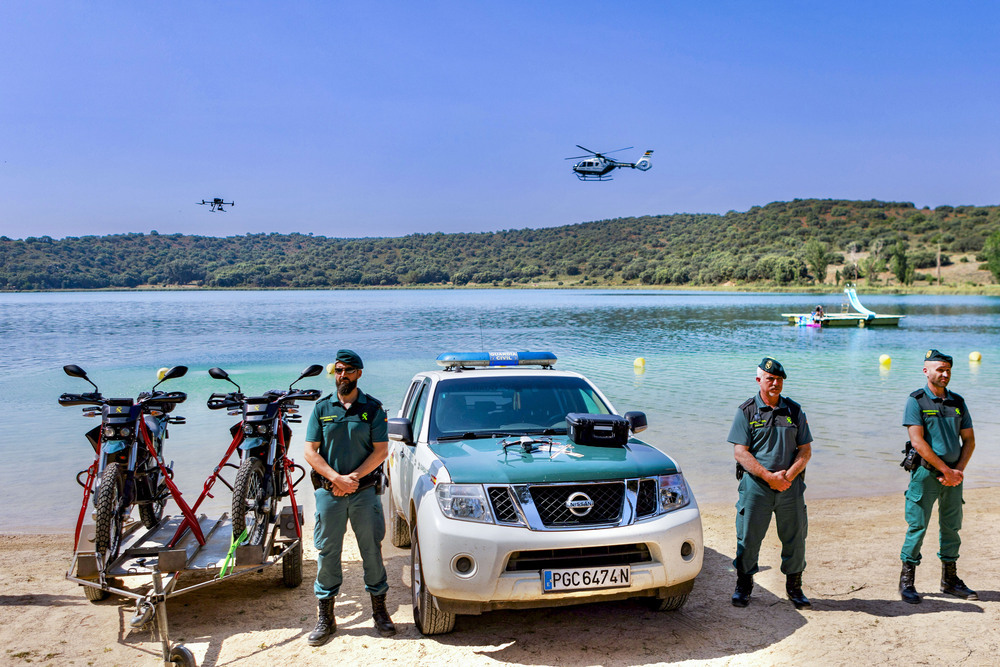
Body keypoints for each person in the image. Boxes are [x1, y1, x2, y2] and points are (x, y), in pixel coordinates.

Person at [303, 349, 396, 645]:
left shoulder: (372, 409)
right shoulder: (322, 408)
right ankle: (326, 619)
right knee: (328, 552)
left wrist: (352, 479)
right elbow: (309, 451)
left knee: (371, 549)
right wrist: (336, 478)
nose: (342, 376)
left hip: (363, 493)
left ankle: (380, 613)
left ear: (359, 373)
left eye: (348, 371)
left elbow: (381, 451)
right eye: (338, 370)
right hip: (329, 493)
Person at [728, 357, 813, 609]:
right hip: (756, 487)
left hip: (790, 486)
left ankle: (794, 587)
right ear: (759, 380)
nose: (775, 383)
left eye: (779, 379)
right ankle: (743, 586)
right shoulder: (746, 411)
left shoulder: (794, 411)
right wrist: (768, 477)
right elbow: (740, 453)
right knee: (748, 537)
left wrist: (787, 477)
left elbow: (805, 450)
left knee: (796, 538)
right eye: (770, 379)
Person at [898, 349, 977, 604]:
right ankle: (907, 582)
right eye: (939, 369)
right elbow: (917, 442)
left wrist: (958, 471)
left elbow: (969, 440)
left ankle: (950, 580)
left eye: (948, 370)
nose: (944, 374)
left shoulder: (958, 402)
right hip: (926, 474)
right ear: (926, 371)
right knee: (917, 526)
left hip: (953, 476)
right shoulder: (917, 400)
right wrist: (945, 470)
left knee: (952, 527)